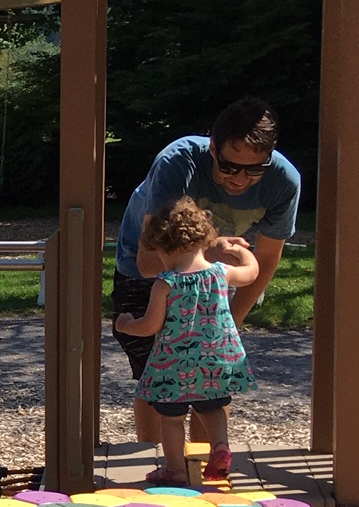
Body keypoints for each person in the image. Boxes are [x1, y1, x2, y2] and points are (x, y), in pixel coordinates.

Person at [112, 97, 298, 448]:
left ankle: (205, 463)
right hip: (147, 272)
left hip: (208, 274)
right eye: (230, 167)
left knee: (210, 375)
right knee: (156, 372)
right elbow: (148, 261)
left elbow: (266, 259)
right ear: (213, 148)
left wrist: (230, 324)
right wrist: (213, 251)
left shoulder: (284, 181)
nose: (240, 179)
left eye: (254, 170)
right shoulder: (177, 162)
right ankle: (155, 460)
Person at [112, 198, 259, 486]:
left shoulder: (165, 283)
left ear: (162, 248)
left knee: (171, 418)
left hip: (175, 364)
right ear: (204, 241)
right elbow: (251, 273)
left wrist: (126, 324)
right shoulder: (221, 273)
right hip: (216, 360)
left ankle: (175, 470)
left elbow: (151, 325)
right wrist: (242, 253)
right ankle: (220, 447)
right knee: (212, 407)